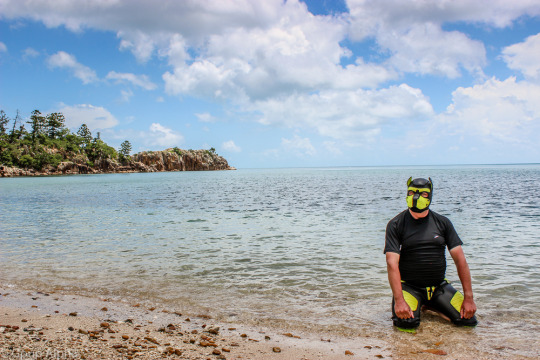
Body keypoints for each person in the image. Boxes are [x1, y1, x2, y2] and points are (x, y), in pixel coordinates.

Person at [384, 177, 478, 329]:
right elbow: (391, 263)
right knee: (406, 324)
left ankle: (432, 306)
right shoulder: (396, 224)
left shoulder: (443, 223)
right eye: (412, 192)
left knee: (468, 321)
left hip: (438, 287)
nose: (416, 197)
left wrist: (469, 298)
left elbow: (460, 260)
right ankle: (421, 305)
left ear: (430, 196)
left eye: (423, 194)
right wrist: (399, 300)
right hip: (409, 287)